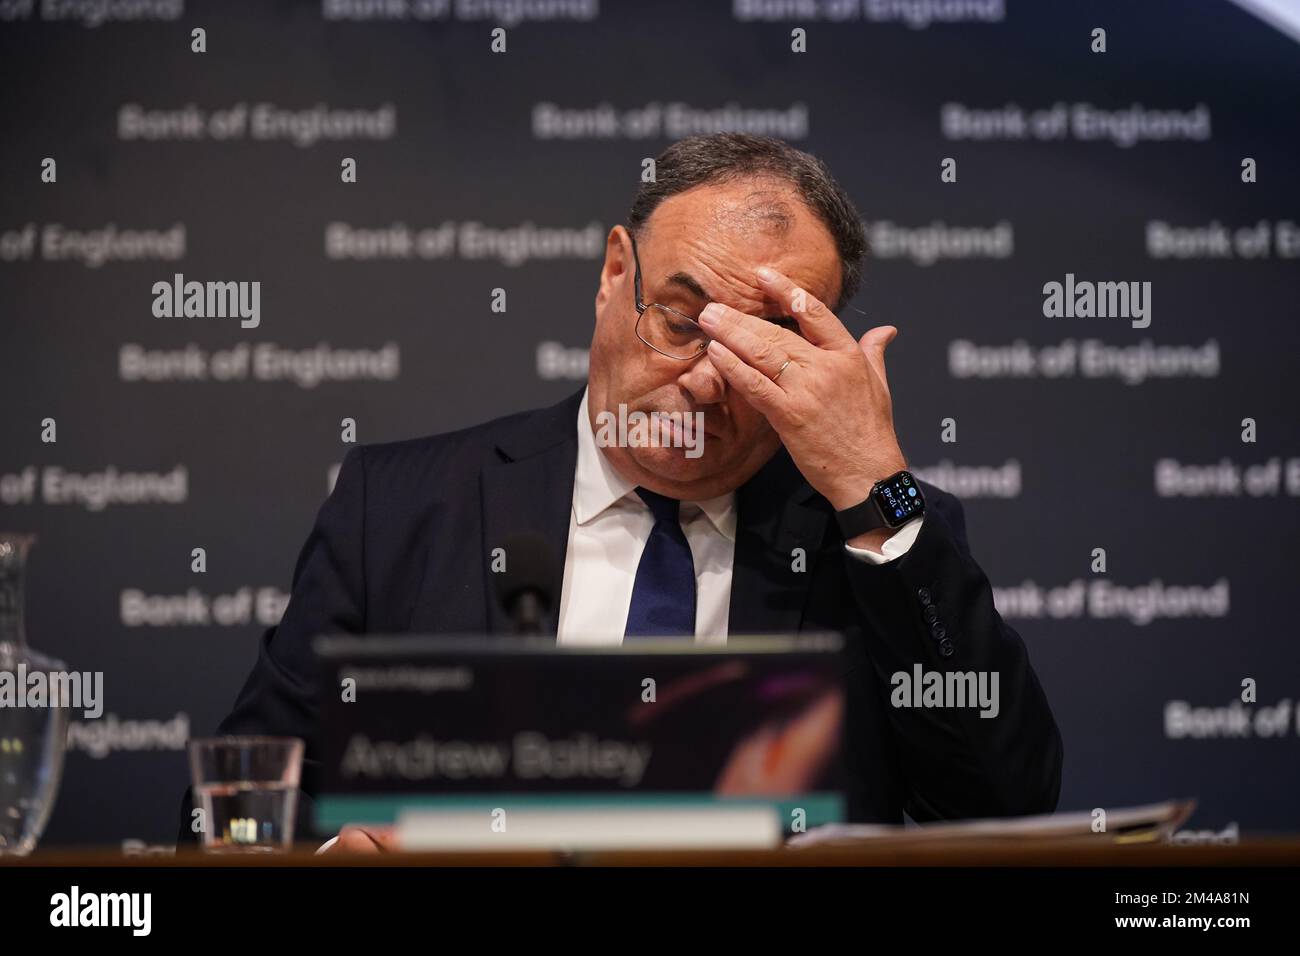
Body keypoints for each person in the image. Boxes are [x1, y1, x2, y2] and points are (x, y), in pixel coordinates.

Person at [178, 133, 1062, 852]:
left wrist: (880, 491)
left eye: (764, 352)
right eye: (680, 321)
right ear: (613, 275)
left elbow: (1004, 806)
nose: (709, 381)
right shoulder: (403, 508)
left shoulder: (874, 530)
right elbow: (228, 818)